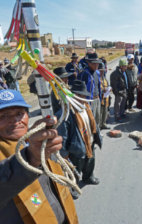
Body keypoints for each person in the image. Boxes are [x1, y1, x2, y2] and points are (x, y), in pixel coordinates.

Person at [0, 89, 78, 223]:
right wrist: (30, 158)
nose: (14, 120)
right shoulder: (32, 149)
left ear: (28, 116)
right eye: (3, 116)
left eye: (20, 113)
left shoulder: (37, 141)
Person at [57, 80, 102, 198]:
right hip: (76, 148)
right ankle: (73, 187)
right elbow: (63, 134)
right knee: (75, 170)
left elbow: (93, 123)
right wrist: (64, 153)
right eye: (80, 95)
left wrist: (97, 136)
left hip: (89, 142)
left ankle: (88, 177)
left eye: (84, 95)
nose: (83, 98)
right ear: (72, 96)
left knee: (90, 161)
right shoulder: (66, 112)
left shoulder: (86, 106)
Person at [77, 53, 102, 125]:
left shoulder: (97, 72)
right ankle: (91, 135)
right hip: (88, 101)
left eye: (97, 63)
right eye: (94, 63)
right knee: (90, 120)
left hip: (97, 99)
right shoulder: (84, 74)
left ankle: (97, 133)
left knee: (97, 119)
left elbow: (98, 85)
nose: (96, 65)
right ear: (88, 63)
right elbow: (79, 89)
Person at [99, 62, 110, 129]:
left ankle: (103, 123)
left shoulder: (104, 78)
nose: (102, 72)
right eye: (101, 71)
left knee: (105, 112)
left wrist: (109, 89)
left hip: (106, 98)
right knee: (100, 113)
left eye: (103, 71)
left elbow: (107, 85)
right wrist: (103, 91)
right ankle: (99, 126)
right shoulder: (97, 78)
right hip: (100, 99)